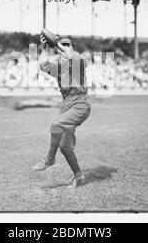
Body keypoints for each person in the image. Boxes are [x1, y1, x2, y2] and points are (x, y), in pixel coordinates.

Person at [32, 33, 91, 189]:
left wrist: (57, 43)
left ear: (71, 48)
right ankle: (78, 175)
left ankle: (49, 159)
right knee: (65, 146)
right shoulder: (59, 68)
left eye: (67, 45)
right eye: (62, 45)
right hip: (66, 106)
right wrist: (45, 47)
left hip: (80, 104)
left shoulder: (78, 61)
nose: (64, 48)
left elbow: (75, 57)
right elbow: (42, 64)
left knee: (55, 124)